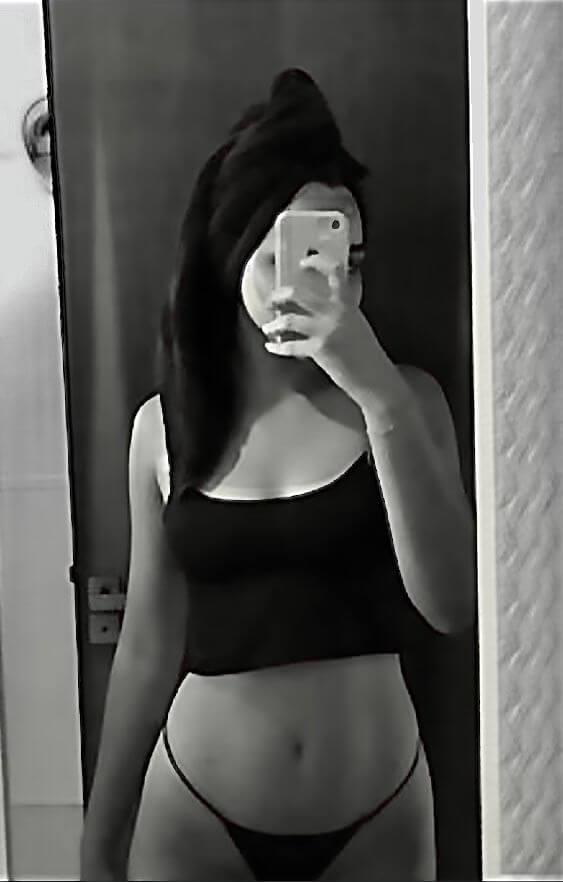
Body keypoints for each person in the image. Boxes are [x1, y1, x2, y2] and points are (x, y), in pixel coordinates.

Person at [80, 68, 475, 882]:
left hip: (379, 817)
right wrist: (99, 844)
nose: (329, 287)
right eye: (295, 258)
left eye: (347, 261)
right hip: (192, 817)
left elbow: (454, 606)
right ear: (231, 258)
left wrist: (377, 395)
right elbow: (147, 647)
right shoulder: (164, 429)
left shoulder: (407, 401)